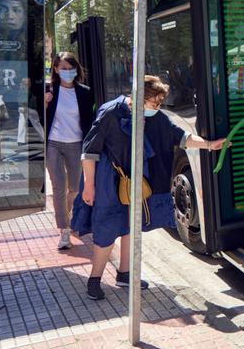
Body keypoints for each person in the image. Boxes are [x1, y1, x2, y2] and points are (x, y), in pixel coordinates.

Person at [72, 75, 227, 300]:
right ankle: (94, 280)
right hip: (107, 180)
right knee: (107, 228)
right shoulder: (111, 112)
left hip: (136, 180)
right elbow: (89, 151)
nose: (158, 107)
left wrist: (209, 145)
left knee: (131, 227)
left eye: (160, 103)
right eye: (155, 103)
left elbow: (180, 136)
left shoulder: (155, 117)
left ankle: (124, 274)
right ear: (138, 98)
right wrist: (89, 186)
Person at [45, 52, 95, 250]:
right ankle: (64, 230)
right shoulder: (50, 91)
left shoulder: (84, 92)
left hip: (76, 144)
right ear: (56, 69)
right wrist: (44, 102)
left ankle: (67, 214)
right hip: (53, 143)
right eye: (63, 69)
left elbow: (90, 121)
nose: (67, 72)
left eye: (70, 68)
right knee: (58, 187)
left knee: (74, 188)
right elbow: (34, 115)